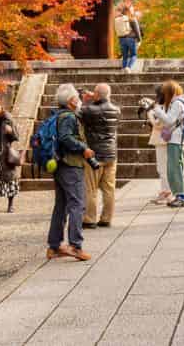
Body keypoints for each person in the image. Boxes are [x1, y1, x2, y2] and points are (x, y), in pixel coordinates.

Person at [45, 84, 95, 261]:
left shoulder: (59, 115)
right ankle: (75, 245)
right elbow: (66, 138)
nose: (79, 100)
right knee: (77, 204)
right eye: (77, 98)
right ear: (71, 101)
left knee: (61, 205)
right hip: (71, 164)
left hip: (60, 164)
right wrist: (83, 148)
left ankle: (54, 246)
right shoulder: (68, 117)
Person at [79, 83, 121, 228]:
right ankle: (106, 218)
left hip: (94, 155)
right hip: (111, 154)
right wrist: (97, 97)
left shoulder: (89, 110)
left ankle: (89, 219)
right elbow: (106, 102)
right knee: (109, 188)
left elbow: (78, 113)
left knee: (90, 188)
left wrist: (85, 99)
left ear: (96, 95)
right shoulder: (117, 110)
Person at [153, 80, 184, 208]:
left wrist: (157, 110)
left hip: (177, 139)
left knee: (175, 168)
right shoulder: (183, 100)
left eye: (164, 93)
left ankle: (181, 197)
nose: (163, 96)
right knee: (174, 168)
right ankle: (179, 196)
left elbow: (169, 121)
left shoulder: (177, 103)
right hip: (177, 138)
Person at [141, 86, 172, 205]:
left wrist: (149, 112)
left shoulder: (165, 107)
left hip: (162, 140)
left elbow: (158, 125)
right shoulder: (167, 106)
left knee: (163, 168)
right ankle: (165, 191)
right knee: (162, 167)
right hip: (163, 139)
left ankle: (167, 193)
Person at [113, 4, 141, 72]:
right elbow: (137, 30)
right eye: (132, 10)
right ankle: (128, 67)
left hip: (121, 39)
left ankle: (123, 68)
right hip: (131, 38)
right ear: (128, 11)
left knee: (125, 56)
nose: (132, 11)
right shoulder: (131, 19)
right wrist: (139, 39)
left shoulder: (118, 19)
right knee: (133, 55)